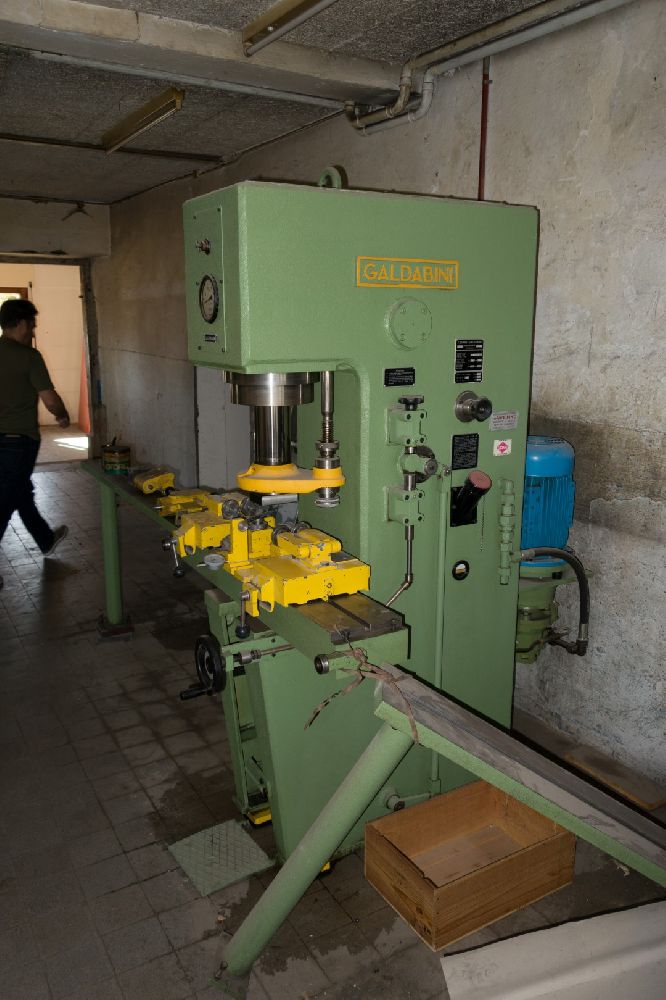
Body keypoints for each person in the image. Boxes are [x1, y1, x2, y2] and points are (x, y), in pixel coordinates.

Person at [0, 298, 70, 588]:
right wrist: (62, 415)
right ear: (20, 323)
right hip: (18, 441)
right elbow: (49, 398)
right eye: (31, 324)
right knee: (6, 500)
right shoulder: (29, 357)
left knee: (19, 490)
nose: (33, 330)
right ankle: (44, 539)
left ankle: (44, 539)